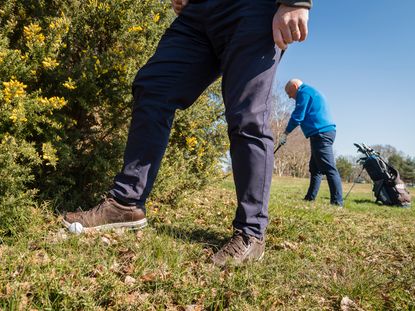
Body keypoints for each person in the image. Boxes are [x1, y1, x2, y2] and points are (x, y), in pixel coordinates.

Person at [63, 0, 312, 266]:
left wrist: (296, 2)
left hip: (255, 8)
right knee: (154, 86)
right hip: (199, 12)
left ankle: (251, 232)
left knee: (246, 115)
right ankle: (126, 204)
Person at [279, 79, 344, 206]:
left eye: (289, 92)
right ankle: (310, 198)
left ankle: (337, 203)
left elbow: (298, 116)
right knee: (315, 169)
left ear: (295, 86)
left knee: (329, 168)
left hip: (321, 133)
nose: (289, 96)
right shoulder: (309, 91)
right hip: (320, 133)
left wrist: (285, 133)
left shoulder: (304, 93)